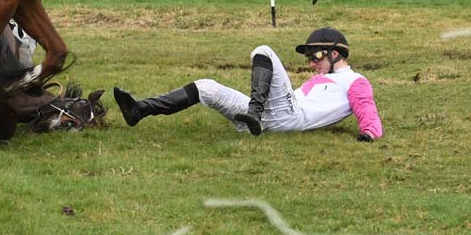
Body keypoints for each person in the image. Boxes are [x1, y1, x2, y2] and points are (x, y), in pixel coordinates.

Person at [112, 27, 383, 140]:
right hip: (270, 118)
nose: (312, 62)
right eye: (310, 58)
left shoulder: (355, 81)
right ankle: (140, 110)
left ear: (335, 54)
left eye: (316, 56)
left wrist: (369, 133)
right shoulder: (321, 80)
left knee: (263, 51)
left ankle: (253, 113)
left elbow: (366, 108)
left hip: (292, 119)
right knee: (206, 87)